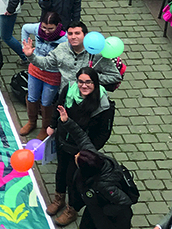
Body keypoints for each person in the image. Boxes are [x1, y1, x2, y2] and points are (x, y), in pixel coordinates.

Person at [47, 68, 118, 226]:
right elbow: (58, 106)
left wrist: (88, 151)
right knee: (61, 171)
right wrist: (52, 124)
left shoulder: (103, 105)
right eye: (81, 82)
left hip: (81, 150)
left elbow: (103, 134)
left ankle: (72, 209)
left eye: (88, 82)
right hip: (63, 141)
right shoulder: (69, 89)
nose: (83, 86)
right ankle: (58, 199)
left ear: (95, 83)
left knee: (74, 180)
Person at [23, 22, 123, 90]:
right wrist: (31, 56)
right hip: (66, 96)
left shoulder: (96, 54)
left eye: (77, 33)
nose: (73, 37)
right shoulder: (61, 48)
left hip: (89, 99)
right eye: (70, 34)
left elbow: (115, 76)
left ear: (85, 35)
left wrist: (92, 79)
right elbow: (45, 63)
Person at [19, 11, 68, 134]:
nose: (46, 31)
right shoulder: (37, 28)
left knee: (46, 102)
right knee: (32, 97)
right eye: (44, 27)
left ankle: (45, 127)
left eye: (50, 29)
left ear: (58, 26)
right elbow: (25, 28)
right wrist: (24, 47)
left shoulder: (64, 39)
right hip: (35, 70)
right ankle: (31, 121)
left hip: (52, 74)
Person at [65, 143, 134, 229]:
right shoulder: (94, 162)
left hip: (108, 218)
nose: (75, 155)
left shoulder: (105, 186)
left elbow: (125, 202)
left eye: (78, 157)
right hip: (94, 207)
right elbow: (82, 138)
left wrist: (105, 210)